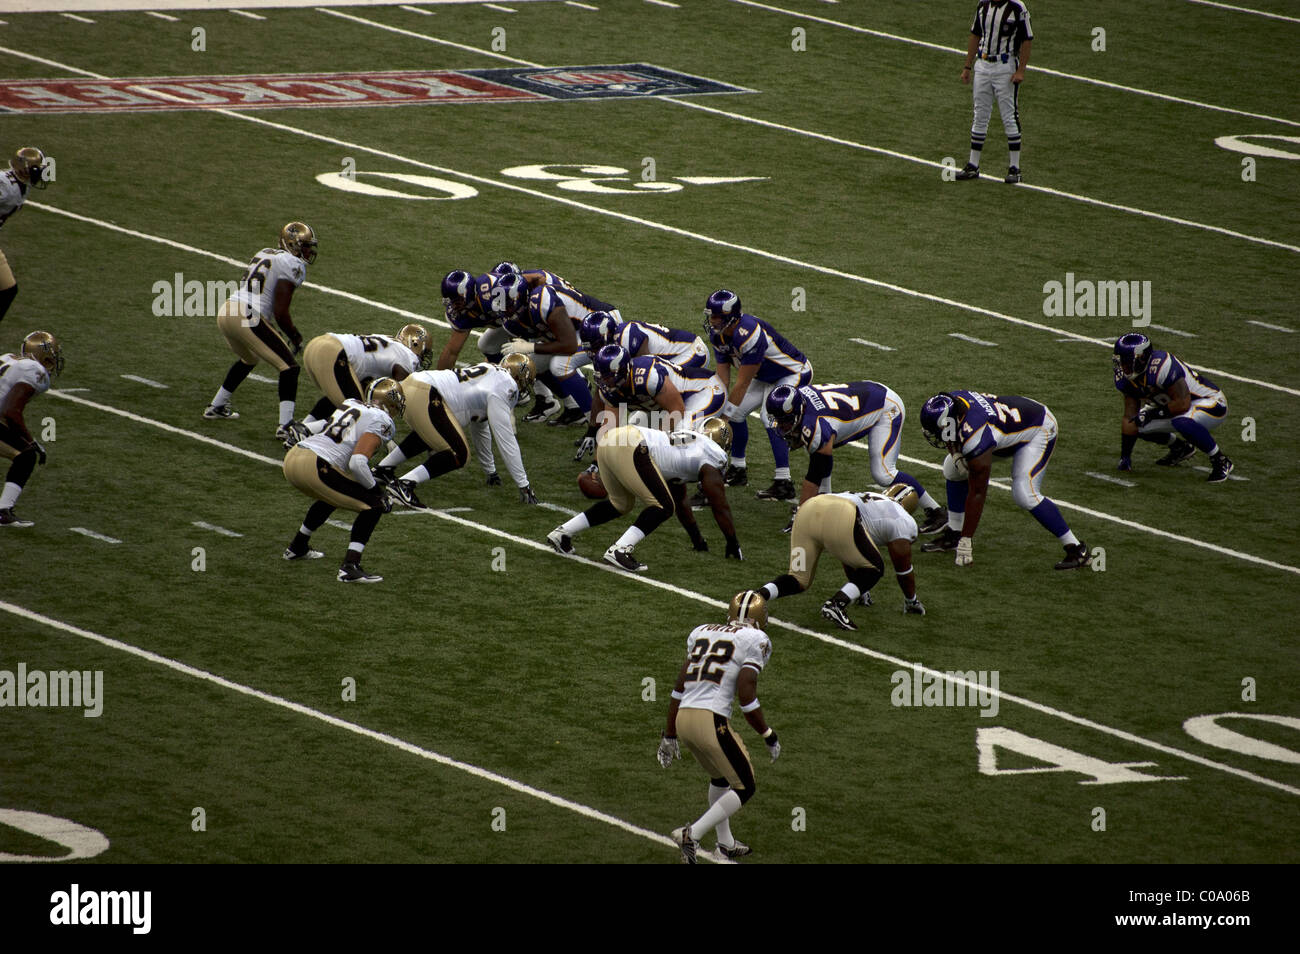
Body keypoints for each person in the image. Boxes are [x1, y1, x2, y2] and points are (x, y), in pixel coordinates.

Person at [658, 590, 778, 864]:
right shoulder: (755, 639)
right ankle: (693, 834)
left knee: (722, 779)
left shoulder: (702, 631)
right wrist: (767, 733)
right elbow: (747, 696)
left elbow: (679, 687)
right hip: (711, 721)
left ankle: (724, 845)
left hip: (684, 719)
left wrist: (669, 732)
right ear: (759, 620)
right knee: (745, 786)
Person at [918, 390, 1090, 569]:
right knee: (952, 469)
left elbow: (977, 493)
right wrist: (955, 456)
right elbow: (951, 433)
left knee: (1025, 493)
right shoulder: (954, 402)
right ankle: (954, 532)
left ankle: (1077, 549)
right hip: (1010, 420)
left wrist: (967, 542)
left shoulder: (976, 436)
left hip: (1037, 429)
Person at [546, 418, 741, 571]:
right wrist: (732, 542)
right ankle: (620, 550)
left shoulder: (688, 445)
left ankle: (562, 533)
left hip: (613, 438)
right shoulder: (714, 453)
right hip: (635, 446)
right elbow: (719, 503)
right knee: (662, 506)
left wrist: (698, 541)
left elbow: (680, 500)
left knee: (620, 503)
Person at [766, 381, 947, 532]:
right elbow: (823, 454)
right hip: (865, 396)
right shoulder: (803, 404)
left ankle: (937, 511)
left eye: (784, 421)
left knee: (884, 473)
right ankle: (825, 498)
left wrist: (801, 514)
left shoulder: (815, 424)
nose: (781, 426)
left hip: (885, 408)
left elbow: (814, 474)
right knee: (819, 449)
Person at [372, 354, 538, 508]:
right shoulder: (505, 386)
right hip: (427, 392)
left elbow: (480, 428)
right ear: (519, 378)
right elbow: (506, 439)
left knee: (434, 433)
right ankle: (404, 484)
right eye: (526, 382)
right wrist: (524, 484)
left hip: (411, 385)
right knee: (460, 453)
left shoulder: (492, 375)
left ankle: (383, 468)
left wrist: (491, 471)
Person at [280, 378, 402, 583]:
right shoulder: (382, 420)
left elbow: (327, 426)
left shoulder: (352, 402)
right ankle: (350, 567)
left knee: (334, 495)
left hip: (294, 457)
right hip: (317, 464)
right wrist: (377, 492)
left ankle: (297, 546)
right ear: (390, 402)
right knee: (373, 505)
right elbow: (357, 462)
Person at [756, 484, 926, 632]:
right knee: (875, 568)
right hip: (841, 513)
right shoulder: (904, 519)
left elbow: (848, 552)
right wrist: (911, 600)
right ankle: (837, 604)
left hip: (809, 508)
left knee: (798, 578)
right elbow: (902, 567)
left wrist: (859, 589)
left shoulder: (869, 498)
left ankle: (755, 597)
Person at [204, 222, 316, 442]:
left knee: (249, 358)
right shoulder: (292, 263)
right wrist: (294, 335)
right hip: (248, 315)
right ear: (291, 245)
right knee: (290, 368)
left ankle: (216, 406)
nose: (308, 251)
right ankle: (285, 426)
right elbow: (280, 311)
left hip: (227, 309)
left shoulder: (265, 252)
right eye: (304, 246)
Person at [703, 289, 813, 501]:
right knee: (736, 414)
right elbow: (723, 380)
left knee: (769, 416)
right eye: (711, 315)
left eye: (716, 316)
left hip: (792, 372)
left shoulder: (749, 334)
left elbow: (742, 382)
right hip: (764, 375)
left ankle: (784, 482)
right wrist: (718, 407)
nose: (712, 320)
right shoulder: (718, 334)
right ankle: (738, 469)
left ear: (730, 317)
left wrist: (723, 419)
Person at [486, 272, 611, 427]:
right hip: (573, 331)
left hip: (600, 326)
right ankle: (574, 410)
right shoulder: (515, 313)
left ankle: (598, 425)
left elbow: (569, 345)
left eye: (509, 307)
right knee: (529, 365)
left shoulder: (543, 302)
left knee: (560, 365)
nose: (506, 313)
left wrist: (530, 346)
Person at [1113, 333, 1233, 482]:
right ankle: (1180, 448)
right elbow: (1129, 418)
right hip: (1177, 407)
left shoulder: (1162, 366)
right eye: (1120, 361)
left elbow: (1183, 403)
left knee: (1181, 421)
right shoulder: (1126, 378)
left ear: (1141, 359)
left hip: (1211, 403)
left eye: (1127, 361)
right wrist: (1125, 458)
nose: (1123, 367)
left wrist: (1153, 414)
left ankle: (1220, 460)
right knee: (1138, 423)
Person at [574, 345, 726, 460]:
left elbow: (676, 410)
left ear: (621, 372)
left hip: (703, 391)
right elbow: (609, 430)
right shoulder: (611, 386)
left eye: (608, 377)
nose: (604, 382)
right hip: (665, 407)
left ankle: (714, 468)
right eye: (602, 377)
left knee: (684, 434)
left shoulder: (648, 377)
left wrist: (654, 443)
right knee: (631, 437)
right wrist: (597, 464)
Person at [955, 0, 1033, 184]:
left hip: (1005, 65)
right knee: (980, 114)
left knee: (1009, 115)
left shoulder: (1017, 8)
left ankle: (1015, 168)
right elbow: (975, 34)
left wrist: (1021, 69)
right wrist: (967, 66)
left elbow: (1027, 39)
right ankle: (973, 165)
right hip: (983, 63)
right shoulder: (983, 5)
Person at [299, 325, 429, 425]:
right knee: (358, 415)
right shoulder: (407, 356)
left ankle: (304, 425)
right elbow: (401, 392)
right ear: (415, 344)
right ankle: (306, 430)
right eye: (425, 352)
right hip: (334, 354)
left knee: (347, 396)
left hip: (318, 345)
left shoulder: (388, 342)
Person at [0, 330, 62, 527]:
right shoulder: (35, 371)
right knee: (26, 455)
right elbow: (11, 411)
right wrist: (30, 441)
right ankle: (3, 512)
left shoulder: (9, 359)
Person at [0, 147, 49, 325]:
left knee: (8, 290)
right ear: (26, 169)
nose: (43, 174)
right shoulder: (5, 185)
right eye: (39, 169)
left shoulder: (22, 185)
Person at [578, 311, 709, 370]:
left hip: (690, 351)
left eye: (595, 346)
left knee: (669, 382)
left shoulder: (627, 337)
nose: (593, 352)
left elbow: (649, 369)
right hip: (668, 360)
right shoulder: (611, 345)